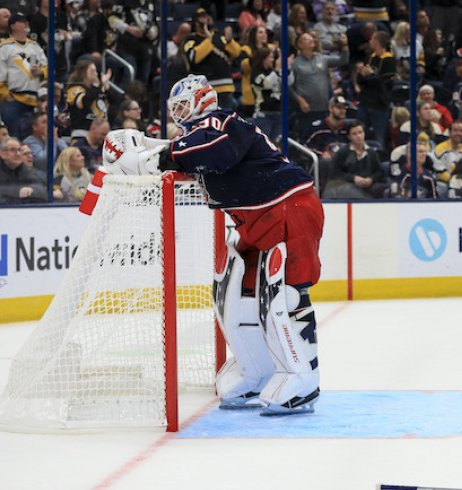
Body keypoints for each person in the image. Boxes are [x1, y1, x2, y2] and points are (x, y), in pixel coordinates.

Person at [103, 74, 324, 416]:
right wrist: (142, 146)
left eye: (182, 104)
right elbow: (187, 154)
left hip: (288, 207)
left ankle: (302, 378)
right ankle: (257, 372)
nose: (177, 111)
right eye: (173, 106)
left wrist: (147, 157)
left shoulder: (222, 121)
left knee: (285, 294)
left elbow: (209, 152)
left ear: (201, 99)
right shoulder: (199, 134)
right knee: (234, 294)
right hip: (254, 219)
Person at [290, 31, 348, 135]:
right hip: (307, 109)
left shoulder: (322, 58)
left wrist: (344, 46)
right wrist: (300, 100)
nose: (311, 39)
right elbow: (288, 86)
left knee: (322, 134)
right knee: (306, 135)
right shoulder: (295, 63)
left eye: (311, 38)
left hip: (324, 107)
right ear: (300, 45)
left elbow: (342, 60)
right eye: (307, 39)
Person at [183, 8, 242, 110]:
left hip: (226, 87)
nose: (207, 19)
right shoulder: (191, 39)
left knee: (227, 122)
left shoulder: (219, 35)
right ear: (196, 22)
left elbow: (237, 54)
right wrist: (208, 39)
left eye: (207, 16)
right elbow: (194, 57)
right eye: (203, 17)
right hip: (205, 90)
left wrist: (229, 41)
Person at [0, 13, 46, 139]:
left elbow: (47, 66)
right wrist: (6, 95)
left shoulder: (34, 46)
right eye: (22, 21)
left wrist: (41, 72)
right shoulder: (4, 47)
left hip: (33, 100)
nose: (26, 23)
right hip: (14, 100)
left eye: (26, 21)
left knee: (30, 138)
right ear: (13, 26)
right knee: (13, 137)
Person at [323, 120, 387, 199]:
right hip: (347, 185)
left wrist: (371, 179)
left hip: (368, 185)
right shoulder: (343, 152)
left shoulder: (372, 152)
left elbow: (380, 171)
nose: (358, 136)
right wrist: (353, 178)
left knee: (383, 189)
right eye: (354, 134)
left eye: (360, 132)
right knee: (350, 190)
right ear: (349, 137)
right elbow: (335, 173)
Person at [0, 137, 48, 203]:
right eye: (13, 150)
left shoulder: (27, 170)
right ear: (2, 154)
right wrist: (19, 191)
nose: (18, 154)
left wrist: (31, 189)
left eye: (19, 150)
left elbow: (41, 190)